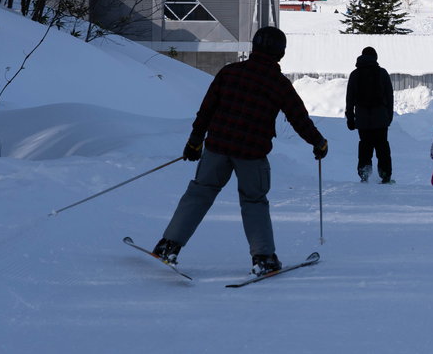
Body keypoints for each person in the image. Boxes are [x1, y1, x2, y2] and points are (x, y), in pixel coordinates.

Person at [152, 26, 328, 275]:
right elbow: (299, 118)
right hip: (252, 155)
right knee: (254, 201)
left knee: (199, 194)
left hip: (217, 147)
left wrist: (195, 140)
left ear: (254, 47)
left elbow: (206, 110)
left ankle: (168, 246)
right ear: (280, 53)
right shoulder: (278, 84)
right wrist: (318, 142)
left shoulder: (230, 72)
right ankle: (264, 259)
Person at [346, 46, 394, 183]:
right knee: (382, 147)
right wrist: (388, 117)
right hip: (380, 118)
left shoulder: (355, 75)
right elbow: (389, 97)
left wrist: (350, 118)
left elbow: (350, 99)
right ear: (375, 58)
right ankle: (385, 175)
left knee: (365, 147)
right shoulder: (382, 73)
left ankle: (364, 174)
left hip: (362, 119)